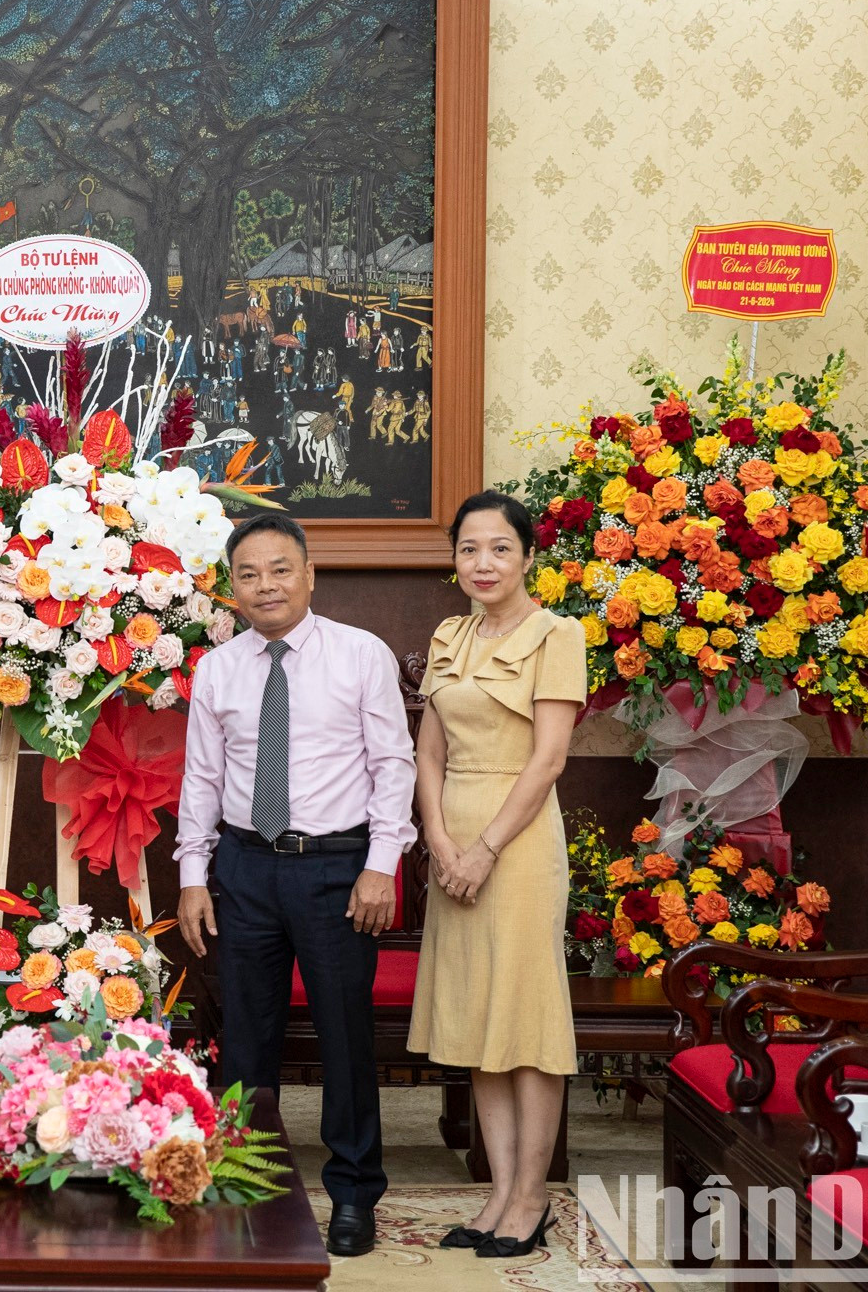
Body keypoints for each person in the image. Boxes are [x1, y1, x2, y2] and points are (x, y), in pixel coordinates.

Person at [174, 513, 416, 1258]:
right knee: (246, 1039)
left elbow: (393, 767)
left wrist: (383, 865)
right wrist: (193, 875)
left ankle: (352, 1192)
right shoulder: (218, 668)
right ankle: (249, 1186)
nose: (265, 585)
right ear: (232, 589)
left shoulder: (360, 655)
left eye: (280, 569)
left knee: (345, 1038)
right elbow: (203, 780)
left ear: (309, 575)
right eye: (248, 574)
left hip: (336, 870)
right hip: (244, 868)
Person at [409, 491, 583, 1259]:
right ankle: (499, 1193)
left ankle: (532, 1196)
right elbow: (427, 754)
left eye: (499, 548)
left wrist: (483, 850)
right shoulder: (451, 634)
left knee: (525, 1016)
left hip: (518, 842)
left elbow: (549, 759)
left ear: (527, 555)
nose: (482, 563)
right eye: (469, 549)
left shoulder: (558, 634)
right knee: (479, 1020)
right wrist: (441, 842)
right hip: (453, 836)